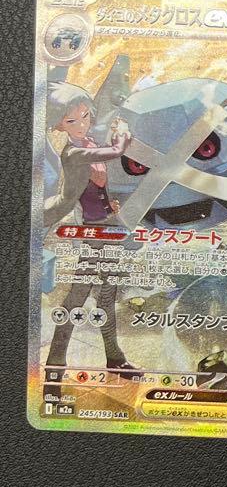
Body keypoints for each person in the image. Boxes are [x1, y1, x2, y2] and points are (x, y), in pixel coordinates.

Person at [43, 81, 135, 373]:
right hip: (93, 233)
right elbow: (117, 150)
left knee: (107, 295)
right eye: (71, 120)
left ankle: (115, 359)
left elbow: (96, 186)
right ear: (59, 125)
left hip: (107, 228)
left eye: (84, 116)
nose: (81, 124)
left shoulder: (90, 144)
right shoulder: (74, 153)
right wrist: (122, 133)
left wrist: (110, 207)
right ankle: (56, 363)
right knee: (78, 296)